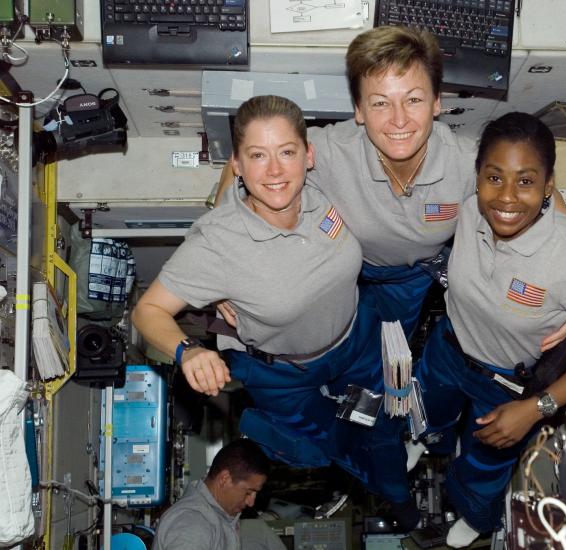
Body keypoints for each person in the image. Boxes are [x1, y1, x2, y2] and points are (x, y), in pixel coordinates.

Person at [132, 95, 416, 528]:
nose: (276, 171)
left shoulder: (324, 186)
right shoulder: (218, 243)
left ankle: (400, 501)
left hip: (353, 340)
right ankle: (260, 422)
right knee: (324, 450)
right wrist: (187, 351)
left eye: (286, 152)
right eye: (257, 157)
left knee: (383, 423)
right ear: (239, 165)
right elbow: (147, 310)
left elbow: (392, 124)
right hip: (284, 371)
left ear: (309, 155)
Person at [216, 26, 566, 348]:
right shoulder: (327, 149)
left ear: (437, 103)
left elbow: (544, 197)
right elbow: (242, 167)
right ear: (358, 110)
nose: (399, 120)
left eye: (414, 99)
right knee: (327, 338)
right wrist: (225, 267)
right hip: (337, 260)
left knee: (389, 349)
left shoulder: (467, 162)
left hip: (409, 274)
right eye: (380, 104)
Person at [414, 112, 566, 547]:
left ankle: (475, 515)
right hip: (450, 348)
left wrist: (537, 408)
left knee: (486, 460)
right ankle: (424, 441)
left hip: (506, 382)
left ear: (548, 186)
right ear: (477, 177)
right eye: (494, 177)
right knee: (425, 409)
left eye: (526, 182)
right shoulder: (470, 207)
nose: (506, 198)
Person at [152, 438, 269, 550]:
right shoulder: (193, 524)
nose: (251, 502)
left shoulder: (218, 517)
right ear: (225, 479)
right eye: (248, 492)